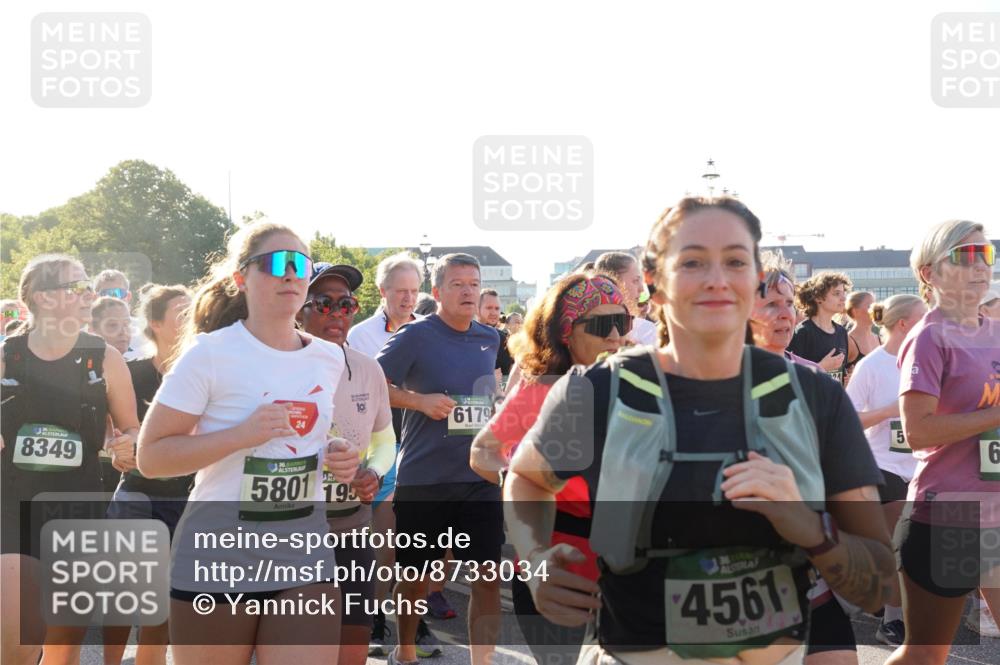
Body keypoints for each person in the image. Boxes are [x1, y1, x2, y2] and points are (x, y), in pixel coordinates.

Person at [505, 196, 896, 665]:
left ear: (755, 279)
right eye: (692, 262)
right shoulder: (597, 390)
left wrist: (809, 528)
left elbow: (880, 586)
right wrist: (535, 560)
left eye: (734, 261)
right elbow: (526, 477)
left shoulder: (815, 398)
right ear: (654, 281)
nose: (716, 279)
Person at [136, 222, 360, 665]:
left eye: (301, 264)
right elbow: (152, 457)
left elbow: (305, 437)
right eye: (277, 263)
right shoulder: (210, 353)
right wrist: (241, 435)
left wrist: (340, 456)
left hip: (303, 553)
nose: (292, 274)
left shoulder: (329, 357)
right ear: (242, 278)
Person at [470, 273, 628, 665]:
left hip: (631, 571)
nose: (614, 335)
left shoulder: (642, 381)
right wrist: (523, 485)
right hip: (558, 571)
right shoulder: (544, 387)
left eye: (620, 322)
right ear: (566, 333)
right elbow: (483, 452)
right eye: (598, 324)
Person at [1, 255, 139, 665]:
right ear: (43, 298)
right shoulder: (7, 356)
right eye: (77, 287)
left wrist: (127, 445)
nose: (89, 295)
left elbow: (132, 429)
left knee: (62, 650)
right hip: (14, 510)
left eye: (88, 285)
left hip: (78, 510)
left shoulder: (104, 358)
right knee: (18, 644)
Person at [377, 253, 501, 665]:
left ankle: (481, 660)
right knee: (413, 577)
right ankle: (406, 650)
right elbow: (372, 384)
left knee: (486, 576)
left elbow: (487, 396)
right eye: (457, 284)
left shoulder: (490, 338)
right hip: (424, 479)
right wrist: (419, 401)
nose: (468, 291)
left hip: (478, 476)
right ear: (438, 292)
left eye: (473, 283)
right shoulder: (415, 335)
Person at [885, 221, 1000, 665]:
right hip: (950, 514)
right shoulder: (930, 336)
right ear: (930, 273)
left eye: (984, 255)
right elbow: (918, 431)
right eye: (964, 255)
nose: (978, 266)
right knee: (926, 655)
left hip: (994, 509)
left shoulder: (993, 330)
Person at [751, 251, 862, 665]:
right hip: (733, 579)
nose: (785, 315)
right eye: (770, 305)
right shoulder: (701, 381)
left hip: (811, 571)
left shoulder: (813, 379)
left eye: (789, 304)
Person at [298, 262, 397, 665]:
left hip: (352, 528)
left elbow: (385, 439)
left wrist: (374, 471)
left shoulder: (368, 368)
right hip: (294, 533)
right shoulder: (277, 364)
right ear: (299, 308)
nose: (337, 313)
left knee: (354, 641)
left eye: (347, 304)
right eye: (324, 303)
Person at [344, 252, 438, 656]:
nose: (408, 299)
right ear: (382, 292)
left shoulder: (429, 331)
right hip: (376, 448)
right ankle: (374, 622)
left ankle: (411, 626)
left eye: (414, 291)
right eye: (400, 291)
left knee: (414, 545)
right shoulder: (360, 335)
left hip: (420, 450)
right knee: (379, 543)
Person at [102, 284, 193, 665]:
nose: (192, 319)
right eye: (181, 313)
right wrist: (113, 444)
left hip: (190, 497)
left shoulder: (203, 371)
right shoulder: (133, 371)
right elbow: (106, 422)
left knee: (165, 600)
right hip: (138, 492)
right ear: (155, 322)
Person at [844, 294, 927, 647]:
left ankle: (864, 598)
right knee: (899, 545)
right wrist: (891, 410)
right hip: (882, 465)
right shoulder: (872, 366)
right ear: (905, 324)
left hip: (922, 465)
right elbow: (846, 419)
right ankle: (892, 621)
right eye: (923, 319)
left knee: (918, 548)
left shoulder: (927, 360)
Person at [788, 272, 852, 384]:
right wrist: (821, 367)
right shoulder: (802, 333)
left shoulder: (842, 332)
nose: (843, 298)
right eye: (837, 293)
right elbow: (792, 378)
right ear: (818, 298)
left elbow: (840, 377)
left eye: (844, 293)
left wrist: (848, 380)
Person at [594, 251, 658, 346]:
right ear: (615, 282)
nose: (641, 289)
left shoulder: (588, 328)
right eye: (635, 280)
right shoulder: (645, 330)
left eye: (640, 281)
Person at [843, 292, 879, 384]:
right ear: (855, 311)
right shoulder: (848, 341)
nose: (875, 310)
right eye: (870, 306)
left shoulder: (879, 338)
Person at [478, 288, 514, 382]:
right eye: (489, 308)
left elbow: (511, 374)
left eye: (497, 308)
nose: (494, 312)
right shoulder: (466, 337)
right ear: (477, 309)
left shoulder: (505, 339)